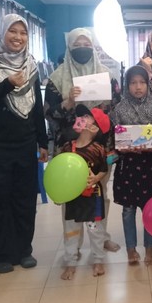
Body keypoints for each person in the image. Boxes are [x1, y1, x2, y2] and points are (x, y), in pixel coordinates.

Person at [0, 14, 49, 274]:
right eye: (12, 31)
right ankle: (1, 254)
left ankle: (23, 250)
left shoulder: (30, 63)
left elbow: (36, 105)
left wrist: (42, 140)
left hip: (25, 142)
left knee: (25, 198)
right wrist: (6, 84)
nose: (18, 37)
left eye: (23, 32)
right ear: (2, 32)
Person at [44, 27, 120, 253]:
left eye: (87, 45)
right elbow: (49, 114)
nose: (82, 49)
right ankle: (73, 246)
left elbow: (117, 110)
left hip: (100, 148)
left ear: (94, 47)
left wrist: (104, 109)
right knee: (70, 195)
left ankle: (101, 239)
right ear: (69, 47)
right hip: (69, 149)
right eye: (77, 45)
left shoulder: (107, 75)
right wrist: (68, 102)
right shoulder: (57, 78)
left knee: (100, 193)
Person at [110, 65, 152, 265]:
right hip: (128, 167)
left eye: (142, 82)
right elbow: (113, 140)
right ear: (127, 86)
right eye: (133, 83)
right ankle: (131, 249)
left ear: (148, 85)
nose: (138, 87)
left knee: (149, 208)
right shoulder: (119, 110)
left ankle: (150, 249)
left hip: (150, 166)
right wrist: (123, 148)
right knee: (128, 210)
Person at [60, 105, 112, 280]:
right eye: (81, 115)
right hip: (72, 198)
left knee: (95, 230)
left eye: (87, 117)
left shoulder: (98, 149)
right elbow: (60, 172)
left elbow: (104, 169)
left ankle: (98, 260)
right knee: (71, 231)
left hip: (93, 198)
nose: (82, 118)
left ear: (95, 128)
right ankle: (70, 262)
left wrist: (96, 178)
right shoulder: (68, 146)